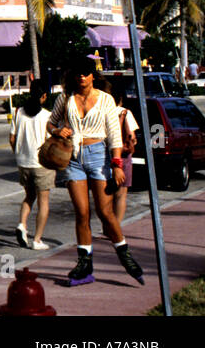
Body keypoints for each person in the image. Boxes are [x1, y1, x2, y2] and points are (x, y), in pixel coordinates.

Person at [46, 55, 144, 286]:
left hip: (99, 155)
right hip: (74, 158)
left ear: (93, 76)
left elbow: (115, 135)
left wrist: (117, 165)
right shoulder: (65, 98)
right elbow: (50, 123)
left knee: (105, 212)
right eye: (78, 73)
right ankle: (84, 264)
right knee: (82, 213)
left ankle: (125, 256)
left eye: (86, 73)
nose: (82, 76)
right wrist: (57, 131)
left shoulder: (106, 100)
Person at [9, 79, 53, 249]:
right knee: (44, 202)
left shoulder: (18, 112)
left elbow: (12, 138)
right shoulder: (46, 116)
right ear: (44, 96)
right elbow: (50, 142)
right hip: (41, 165)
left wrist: (18, 154)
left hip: (23, 163)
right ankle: (37, 240)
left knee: (29, 196)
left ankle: (22, 224)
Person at [97, 76, 139, 223]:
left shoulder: (101, 112)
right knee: (121, 195)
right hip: (122, 156)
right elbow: (131, 137)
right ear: (120, 98)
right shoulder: (125, 112)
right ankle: (117, 227)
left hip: (102, 154)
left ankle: (106, 225)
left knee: (106, 193)